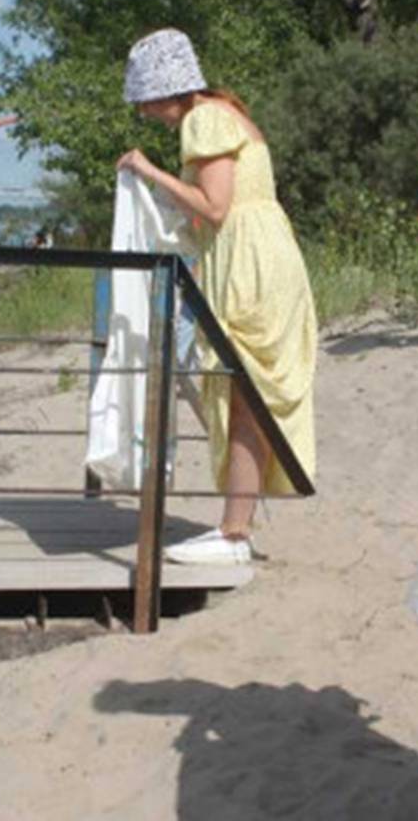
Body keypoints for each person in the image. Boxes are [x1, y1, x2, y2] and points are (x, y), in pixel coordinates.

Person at [116, 28, 317, 565]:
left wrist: (149, 172)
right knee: (244, 393)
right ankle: (236, 526)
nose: (145, 113)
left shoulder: (204, 119)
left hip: (249, 262)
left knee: (242, 391)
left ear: (167, 90)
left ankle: (234, 533)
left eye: (146, 101)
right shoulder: (226, 112)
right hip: (260, 254)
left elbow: (216, 207)